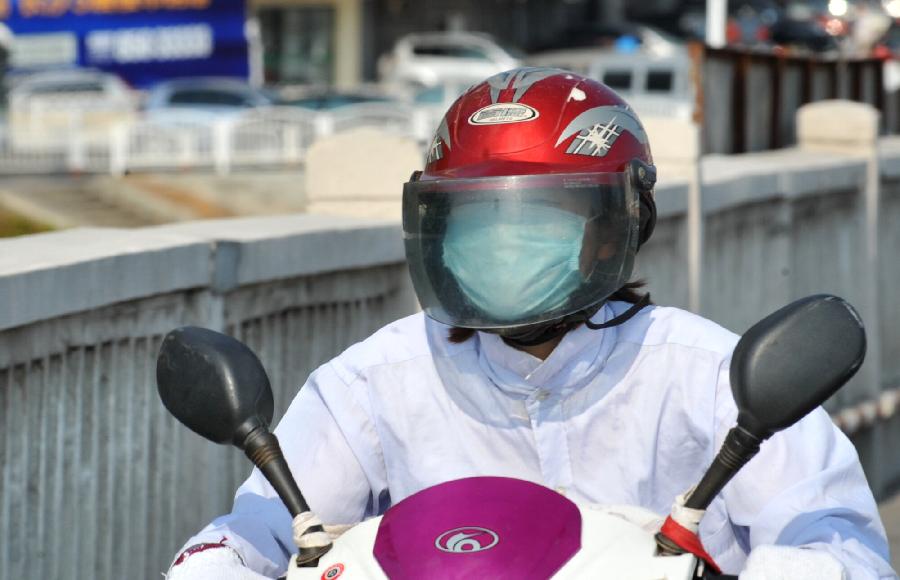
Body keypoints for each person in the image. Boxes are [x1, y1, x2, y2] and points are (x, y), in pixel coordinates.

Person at [167, 68, 895, 579]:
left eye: (539, 219)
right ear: (436, 232)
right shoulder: (374, 380)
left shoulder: (714, 377)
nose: (505, 244)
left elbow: (838, 542)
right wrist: (217, 562)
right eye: (477, 223)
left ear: (618, 228)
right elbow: (260, 530)